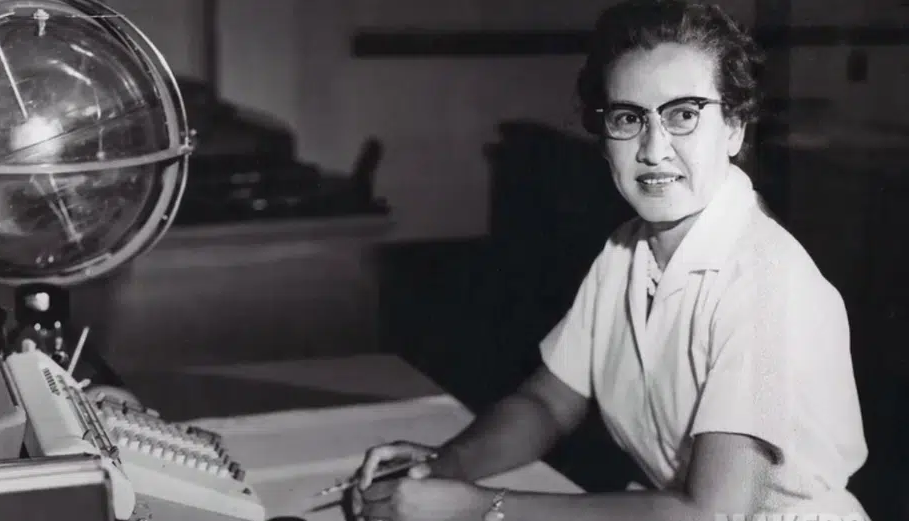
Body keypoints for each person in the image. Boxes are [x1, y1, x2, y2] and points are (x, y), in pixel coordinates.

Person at [350, 1, 871, 520]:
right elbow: (548, 404)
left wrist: (479, 508)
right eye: (628, 118)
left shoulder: (768, 284)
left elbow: (713, 515)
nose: (653, 148)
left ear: (734, 128)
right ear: (604, 142)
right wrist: (445, 466)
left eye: (683, 115)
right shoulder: (627, 250)